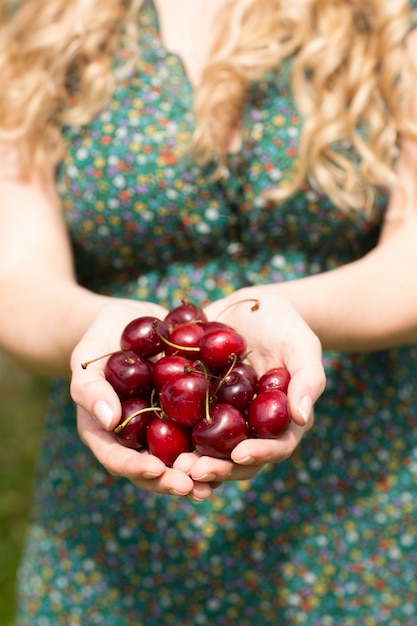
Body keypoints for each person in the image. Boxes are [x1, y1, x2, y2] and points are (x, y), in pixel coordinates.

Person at [1, 0, 417, 623]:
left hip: (353, 515)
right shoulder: (44, 28)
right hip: (116, 522)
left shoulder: (387, 21)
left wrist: (290, 309)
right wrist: (96, 335)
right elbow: (16, 276)